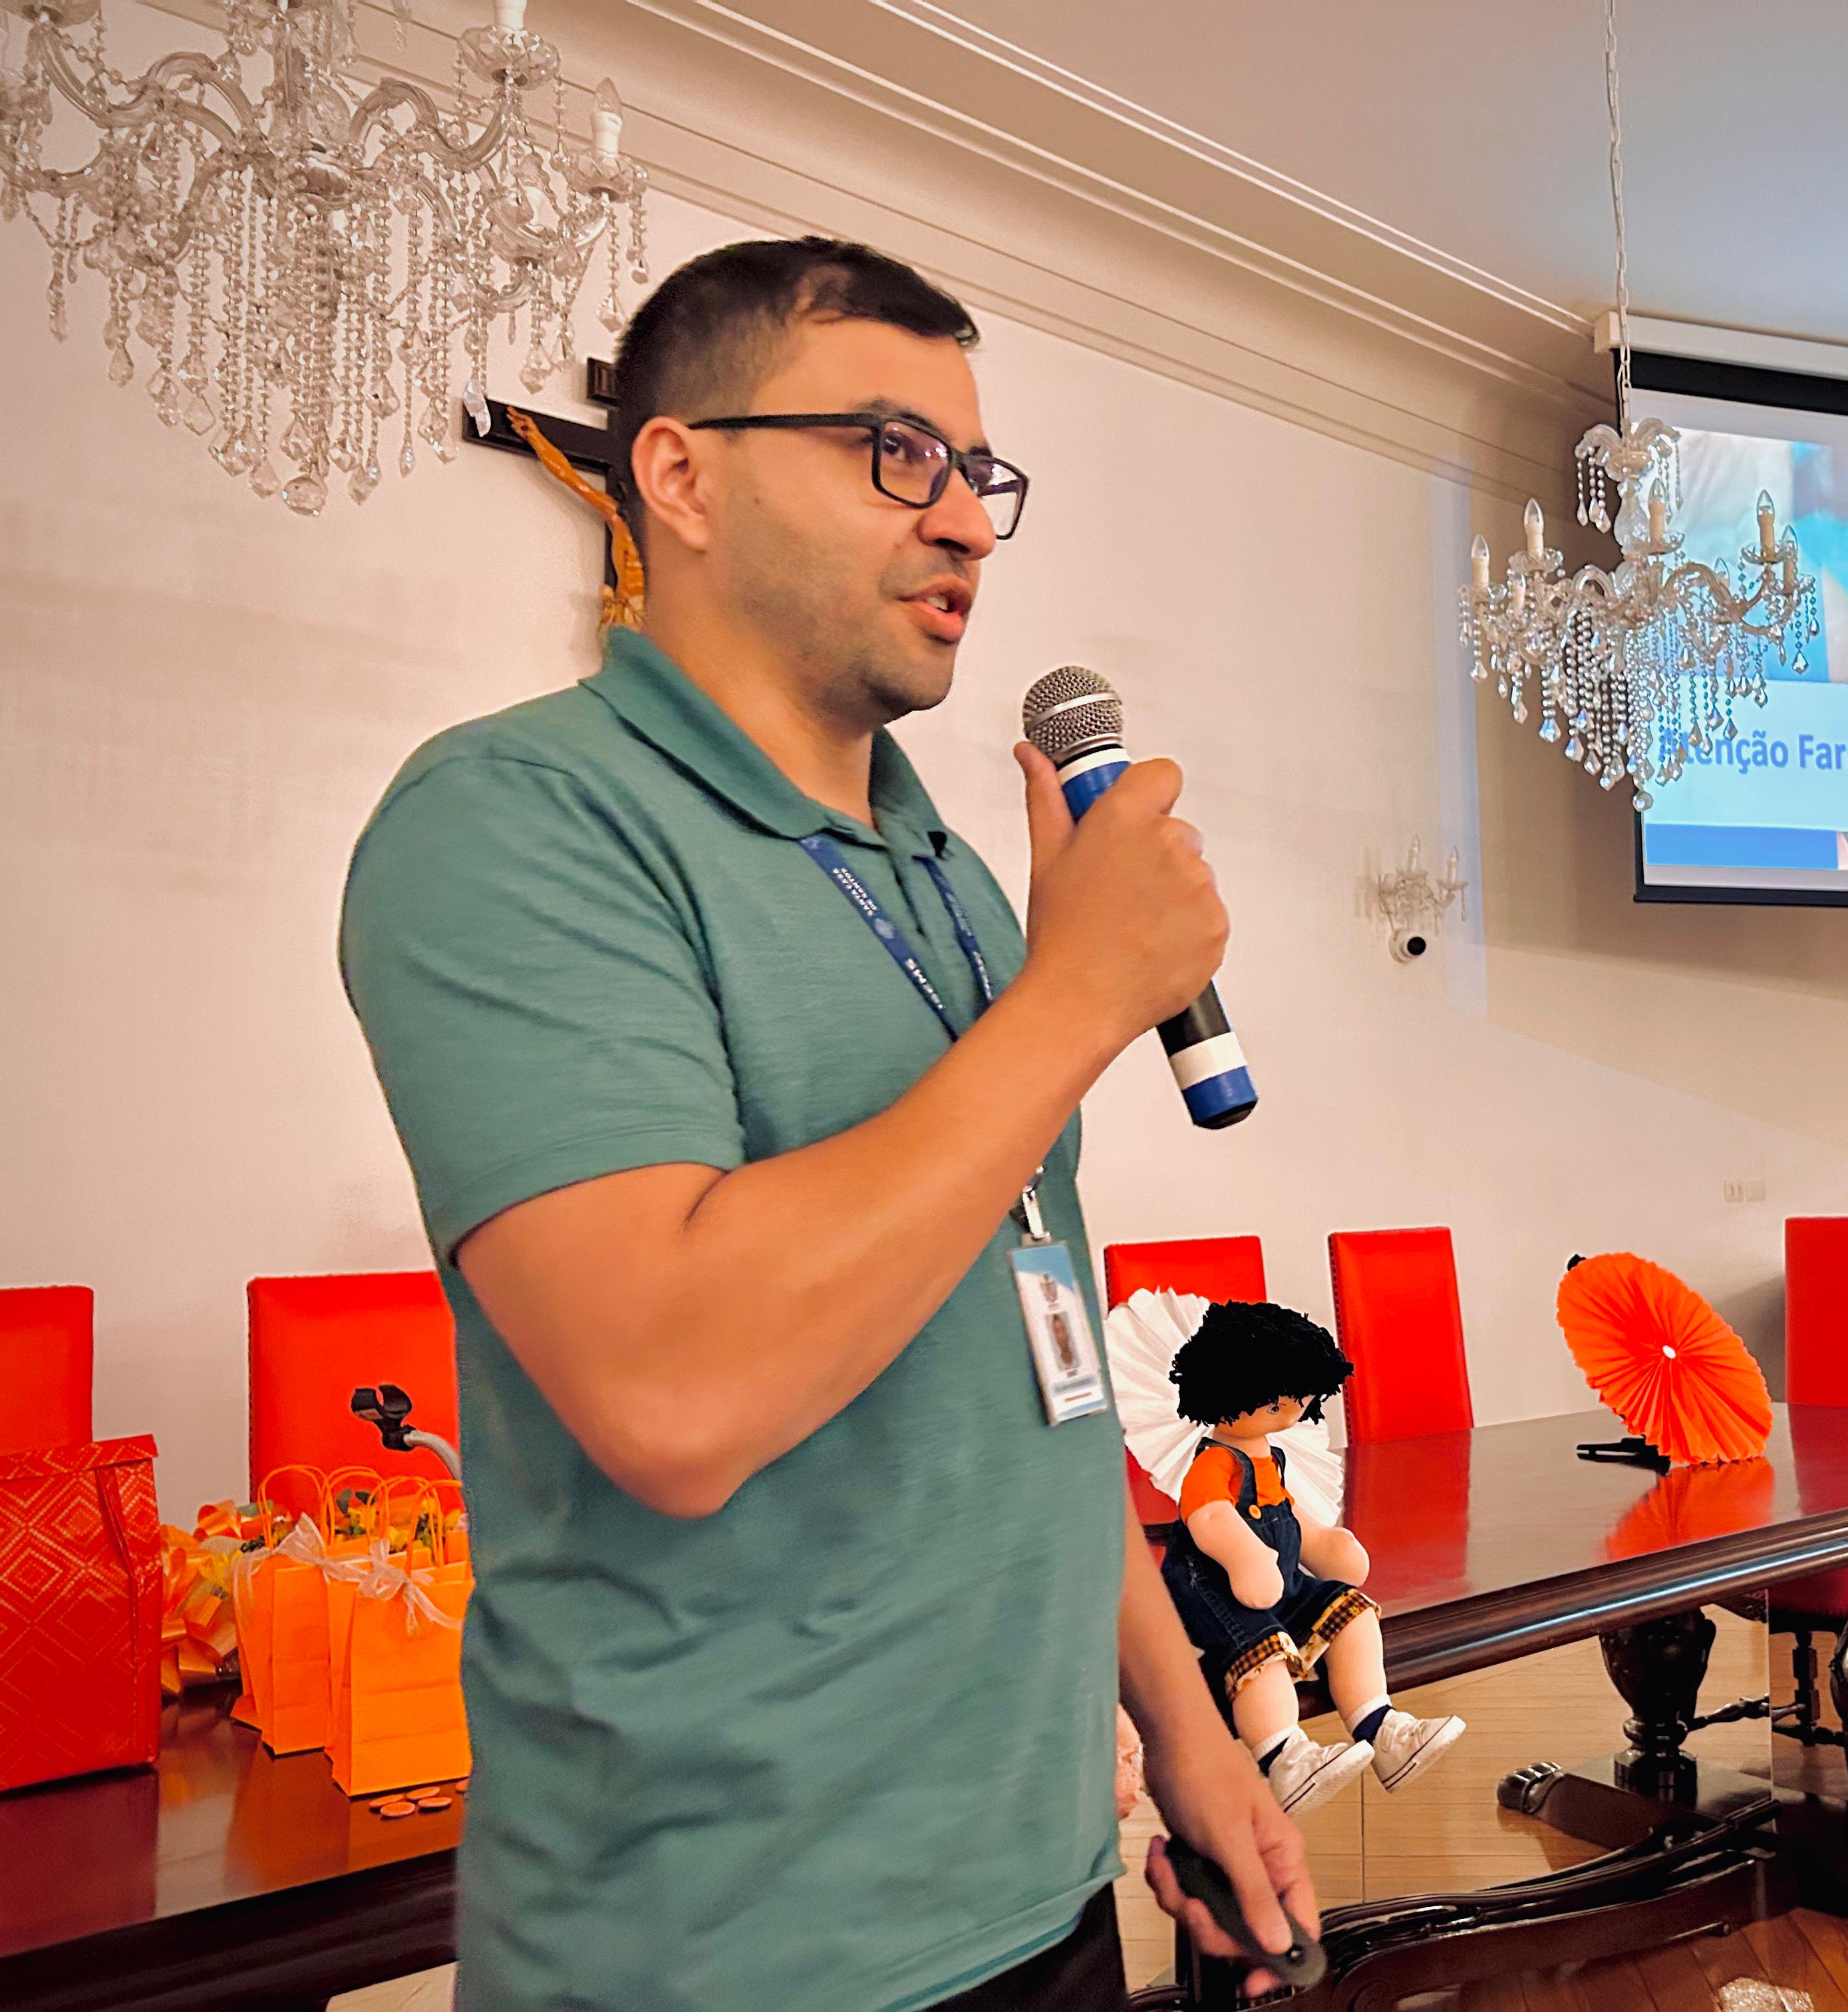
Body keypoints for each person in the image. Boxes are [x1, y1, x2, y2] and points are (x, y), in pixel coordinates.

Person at [339, 236, 1312, 2011]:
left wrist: (1189, 1735)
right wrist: (1078, 1000)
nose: (967, 525)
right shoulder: (514, 818)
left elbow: (1042, 1367)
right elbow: (672, 1397)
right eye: (894, 452)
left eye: (979, 473)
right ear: (680, 475)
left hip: (1042, 1886)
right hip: (729, 1945)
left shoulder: (953, 879)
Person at [1155, 1302, 1465, 1814]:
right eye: (1278, 1401)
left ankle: (1381, 1728)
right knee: (1261, 1653)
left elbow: (1289, 1514)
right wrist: (1245, 1557)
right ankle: (1284, 1758)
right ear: (1230, 1390)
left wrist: (1323, 1544)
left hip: (1277, 1581)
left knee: (1351, 1610)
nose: (1294, 1408)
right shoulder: (1215, 1462)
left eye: (1301, 1397)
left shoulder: (1270, 1459)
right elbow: (1209, 1518)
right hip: (1216, 1587)